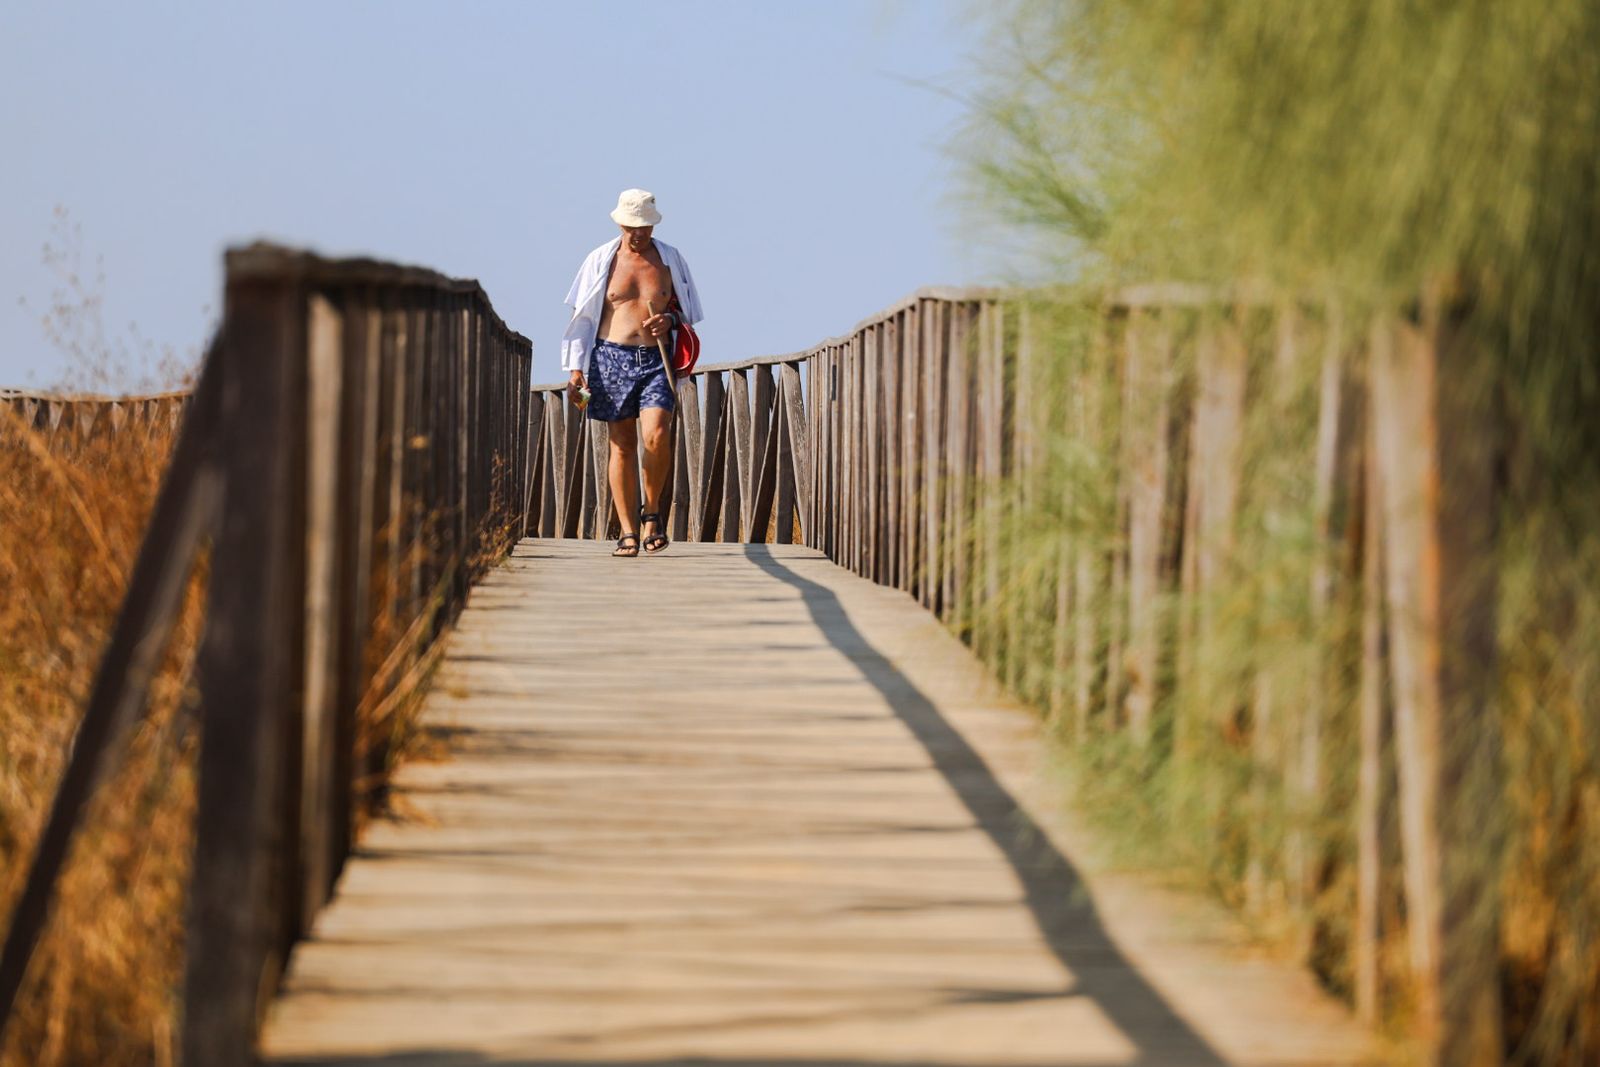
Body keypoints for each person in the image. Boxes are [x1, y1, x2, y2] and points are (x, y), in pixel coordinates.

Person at [562, 189, 703, 556]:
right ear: (620, 223)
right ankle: (627, 530)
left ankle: (652, 512)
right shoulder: (600, 261)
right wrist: (575, 368)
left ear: (653, 225)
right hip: (610, 358)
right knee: (621, 444)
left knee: (657, 434)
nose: (638, 234)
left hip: (657, 359)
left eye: (644, 227)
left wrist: (669, 319)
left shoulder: (670, 260)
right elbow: (582, 318)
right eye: (631, 227)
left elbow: (690, 312)